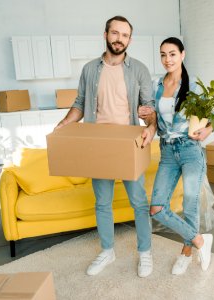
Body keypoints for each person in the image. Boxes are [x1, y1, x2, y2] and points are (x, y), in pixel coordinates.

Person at [55, 16, 156, 278]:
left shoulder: (140, 70)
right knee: (102, 203)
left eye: (124, 35)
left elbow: (149, 108)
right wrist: (65, 122)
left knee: (139, 203)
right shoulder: (90, 69)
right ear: (106, 34)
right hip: (98, 144)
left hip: (129, 144)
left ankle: (145, 253)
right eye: (115, 33)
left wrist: (151, 125)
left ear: (130, 40)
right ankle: (107, 250)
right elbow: (79, 102)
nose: (119, 39)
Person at [138, 37, 213, 275]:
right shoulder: (156, 85)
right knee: (157, 208)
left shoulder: (194, 87)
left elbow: (213, 119)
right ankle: (200, 240)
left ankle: (187, 252)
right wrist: (145, 116)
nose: (167, 59)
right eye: (163, 54)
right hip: (168, 151)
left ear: (182, 54)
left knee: (190, 205)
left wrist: (207, 130)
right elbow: (153, 119)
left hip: (190, 149)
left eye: (172, 54)